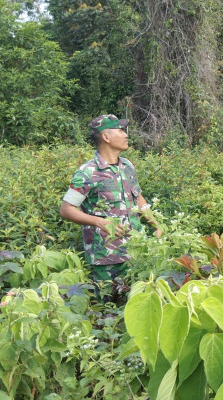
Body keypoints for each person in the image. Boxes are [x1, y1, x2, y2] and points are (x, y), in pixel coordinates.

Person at [59, 114, 162, 300]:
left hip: (137, 250)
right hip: (106, 256)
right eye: (120, 130)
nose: (125, 135)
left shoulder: (128, 166)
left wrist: (156, 225)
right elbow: (66, 209)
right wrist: (99, 221)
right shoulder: (87, 172)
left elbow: (138, 197)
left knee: (137, 302)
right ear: (106, 137)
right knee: (107, 309)